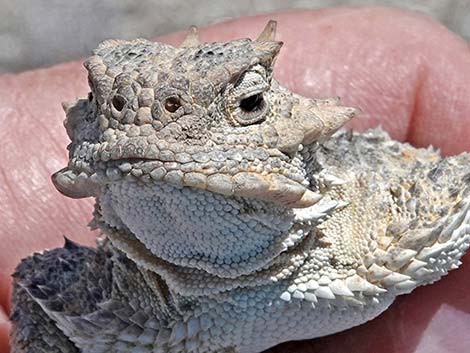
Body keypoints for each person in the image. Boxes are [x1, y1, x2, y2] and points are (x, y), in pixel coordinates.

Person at [1, 6, 469, 353]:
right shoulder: (116, 294)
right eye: (110, 105)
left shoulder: (386, 222)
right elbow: (34, 286)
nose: (137, 127)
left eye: (245, 104)